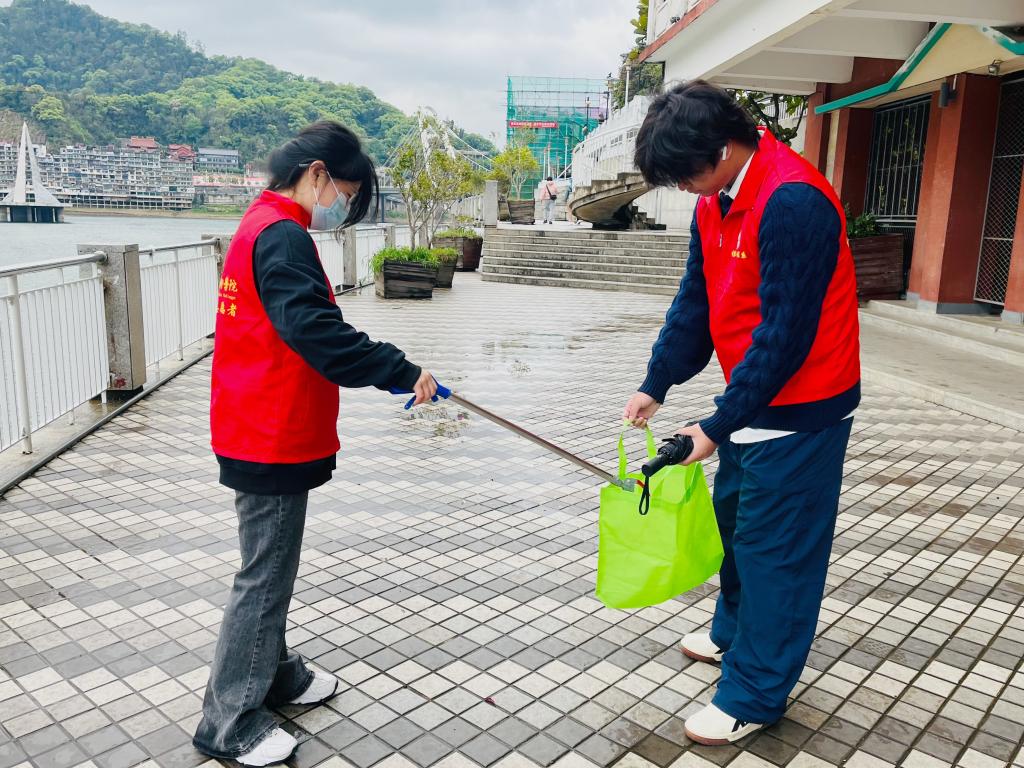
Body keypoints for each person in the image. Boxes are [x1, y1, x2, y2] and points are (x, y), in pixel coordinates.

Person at [194, 121, 438, 766]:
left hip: (260, 422)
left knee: (270, 568)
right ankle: (228, 722)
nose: (339, 207)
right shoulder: (281, 235)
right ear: (318, 174)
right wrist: (400, 369)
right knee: (264, 577)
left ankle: (274, 675)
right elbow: (318, 333)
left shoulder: (262, 223)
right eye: (344, 194)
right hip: (268, 432)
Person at [623, 81, 860, 745]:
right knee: (735, 527)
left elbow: (785, 336)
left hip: (802, 410)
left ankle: (755, 693)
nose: (683, 187)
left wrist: (714, 426)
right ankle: (732, 631)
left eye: (685, 173)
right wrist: (659, 380)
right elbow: (696, 300)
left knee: (775, 553)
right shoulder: (715, 199)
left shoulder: (794, 201)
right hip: (751, 400)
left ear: (726, 148)